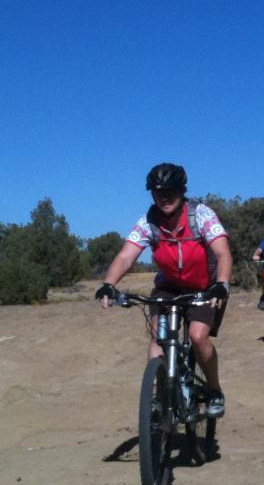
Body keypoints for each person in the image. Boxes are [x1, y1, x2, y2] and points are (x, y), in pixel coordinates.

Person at [95, 163, 233, 417]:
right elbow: (126, 256)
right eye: (159, 193)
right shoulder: (148, 222)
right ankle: (157, 396)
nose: (165, 197)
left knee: (198, 336)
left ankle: (214, 390)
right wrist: (109, 284)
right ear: (152, 195)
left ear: (182, 191)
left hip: (205, 288)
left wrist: (221, 284)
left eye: (171, 191)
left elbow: (222, 252)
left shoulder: (200, 215)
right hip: (168, 288)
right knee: (159, 337)